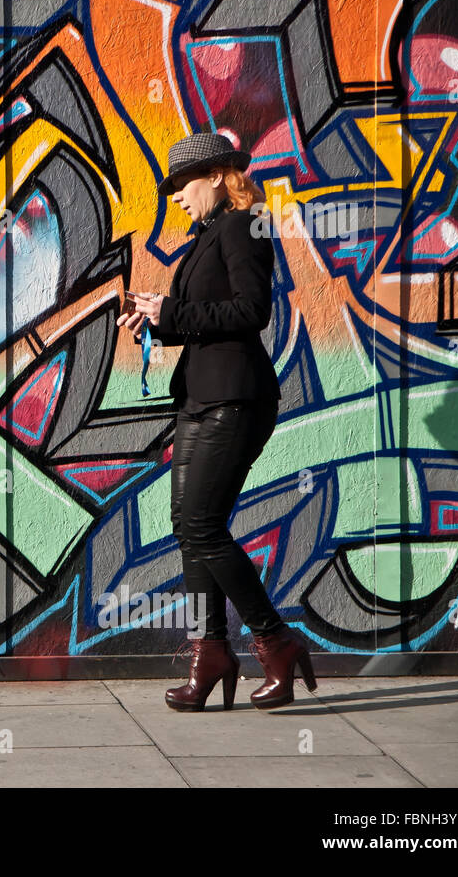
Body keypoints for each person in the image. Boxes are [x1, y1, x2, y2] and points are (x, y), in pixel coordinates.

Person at [116, 131, 315, 711]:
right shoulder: (205, 236)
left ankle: (274, 642)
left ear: (217, 176)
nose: (174, 196)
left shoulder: (243, 224)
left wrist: (174, 310)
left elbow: (252, 311)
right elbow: (204, 319)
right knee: (190, 529)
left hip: (235, 399)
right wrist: (157, 319)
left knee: (202, 525)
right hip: (201, 398)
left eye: (181, 184)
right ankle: (211, 653)